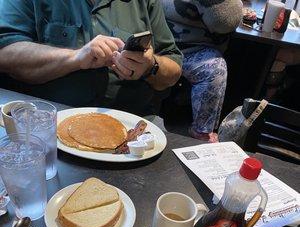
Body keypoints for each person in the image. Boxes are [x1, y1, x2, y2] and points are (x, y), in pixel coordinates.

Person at [0, 0, 182, 117]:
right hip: (47, 127)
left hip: (134, 128)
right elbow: (6, 53)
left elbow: (173, 68)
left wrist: (151, 66)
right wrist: (75, 57)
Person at [161, 0, 243, 142]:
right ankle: (200, 130)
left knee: (216, 69)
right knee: (215, 69)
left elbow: (226, 21)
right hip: (166, 45)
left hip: (190, 47)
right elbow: (225, 22)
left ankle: (200, 128)